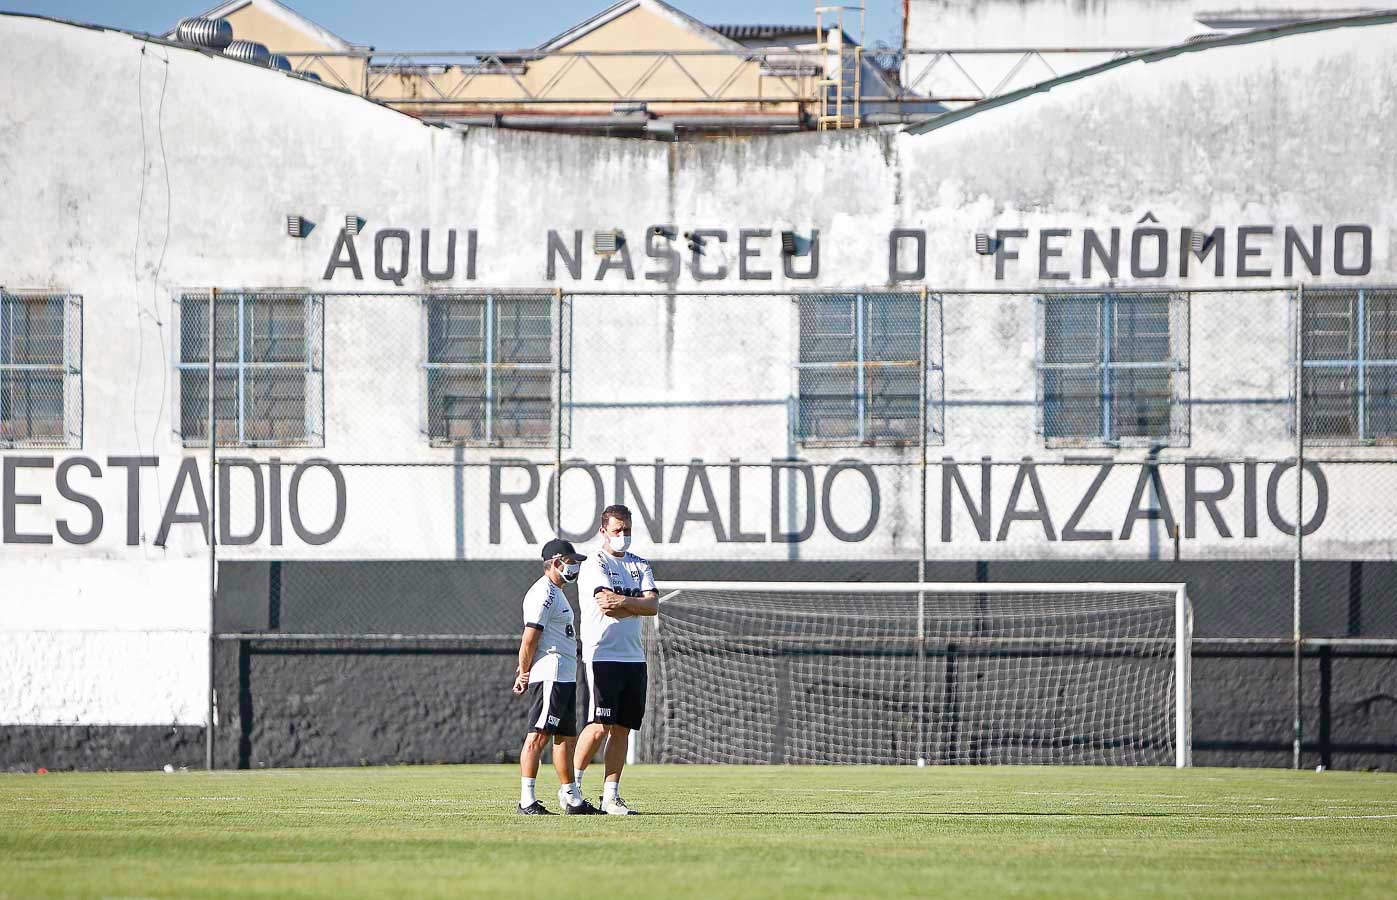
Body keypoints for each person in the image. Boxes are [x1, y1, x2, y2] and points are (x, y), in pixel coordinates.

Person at [573, 505, 658, 816]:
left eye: (628, 529)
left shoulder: (640, 564)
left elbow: (653, 607)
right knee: (599, 725)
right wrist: (635, 604)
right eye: (618, 530)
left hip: (633, 656)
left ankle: (610, 796)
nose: (623, 535)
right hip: (603, 653)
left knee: (623, 727)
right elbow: (605, 605)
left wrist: (626, 602)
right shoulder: (595, 562)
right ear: (603, 531)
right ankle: (572, 788)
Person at [512, 538, 601, 815]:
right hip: (549, 673)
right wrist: (524, 671)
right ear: (555, 562)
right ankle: (526, 800)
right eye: (570, 561)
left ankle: (572, 798)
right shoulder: (543, 594)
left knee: (564, 737)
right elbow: (529, 638)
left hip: (564, 674)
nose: (574, 567)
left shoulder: (557, 591)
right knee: (538, 735)